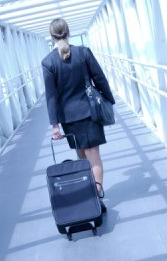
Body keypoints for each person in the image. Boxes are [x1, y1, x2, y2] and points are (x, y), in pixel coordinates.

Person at [42, 18, 115, 212]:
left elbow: (51, 97)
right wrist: (109, 99)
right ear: (68, 31)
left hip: (69, 119)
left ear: (51, 36)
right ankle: (97, 197)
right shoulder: (83, 53)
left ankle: (89, 198)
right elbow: (100, 78)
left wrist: (55, 125)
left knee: (82, 159)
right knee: (94, 159)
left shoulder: (48, 62)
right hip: (89, 113)